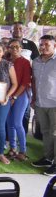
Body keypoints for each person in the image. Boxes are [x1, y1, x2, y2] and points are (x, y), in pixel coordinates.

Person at [31, 35, 56, 176]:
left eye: (47, 44)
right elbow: (34, 81)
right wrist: (34, 98)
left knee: (55, 133)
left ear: (54, 46)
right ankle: (48, 158)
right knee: (45, 132)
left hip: (54, 104)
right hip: (41, 103)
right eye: (41, 44)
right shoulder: (36, 61)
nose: (43, 47)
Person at [6, 39, 31, 162]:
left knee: (17, 123)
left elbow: (25, 82)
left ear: (21, 48)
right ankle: (13, 149)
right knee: (9, 124)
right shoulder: (6, 62)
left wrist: (15, 96)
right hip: (8, 95)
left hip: (20, 95)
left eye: (17, 47)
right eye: (12, 47)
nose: (14, 49)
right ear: (9, 49)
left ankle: (23, 151)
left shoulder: (25, 62)